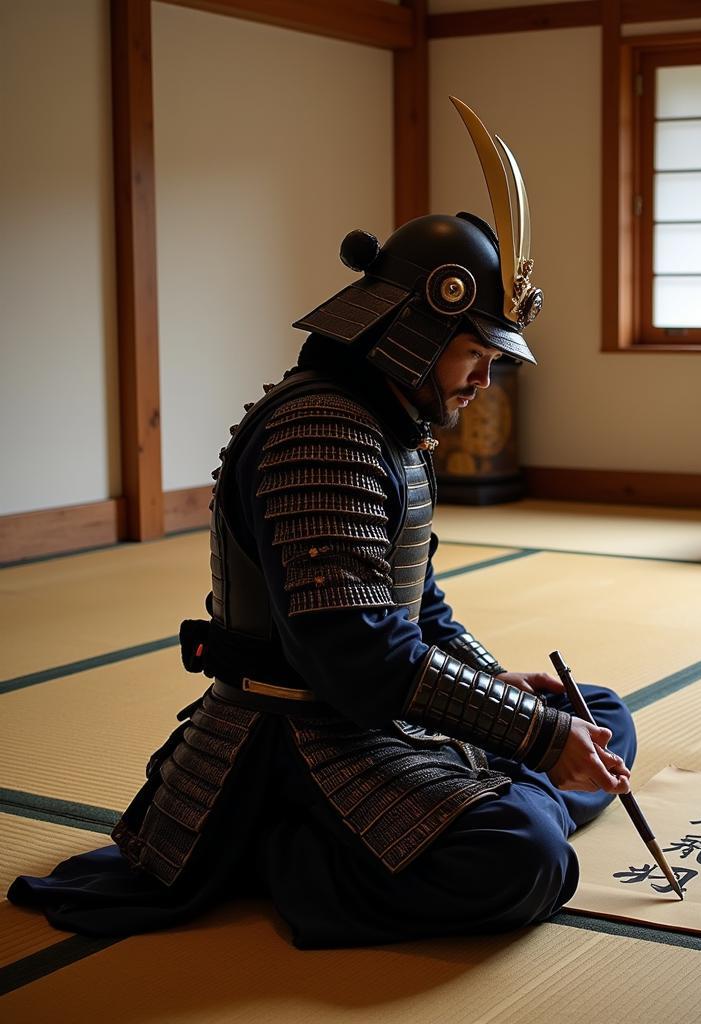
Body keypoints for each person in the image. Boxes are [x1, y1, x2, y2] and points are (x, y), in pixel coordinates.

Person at [8, 98, 636, 947]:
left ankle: (507, 791)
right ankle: (279, 851)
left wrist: (505, 692)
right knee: (526, 857)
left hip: (379, 706)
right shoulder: (322, 431)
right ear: (419, 327)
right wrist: (526, 733)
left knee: (596, 713)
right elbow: (358, 653)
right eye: (477, 355)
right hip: (302, 730)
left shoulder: (392, 425)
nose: (487, 379)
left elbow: (421, 608)